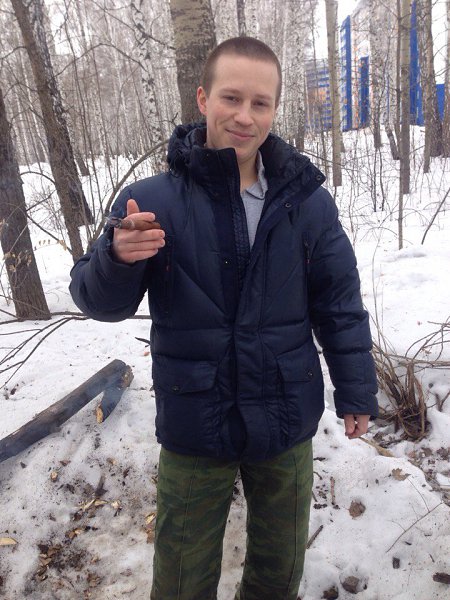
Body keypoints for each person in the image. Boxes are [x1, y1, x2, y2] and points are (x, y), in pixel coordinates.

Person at [70, 37, 378, 600]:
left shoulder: (306, 201)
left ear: (275, 109)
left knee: (279, 573)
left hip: (285, 416)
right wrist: (116, 258)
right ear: (203, 99)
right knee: (181, 580)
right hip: (196, 421)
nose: (244, 116)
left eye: (260, 103)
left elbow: (339, 302)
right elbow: (101, 304)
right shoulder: (151, 201)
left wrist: (356, 389)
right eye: (231, 98)